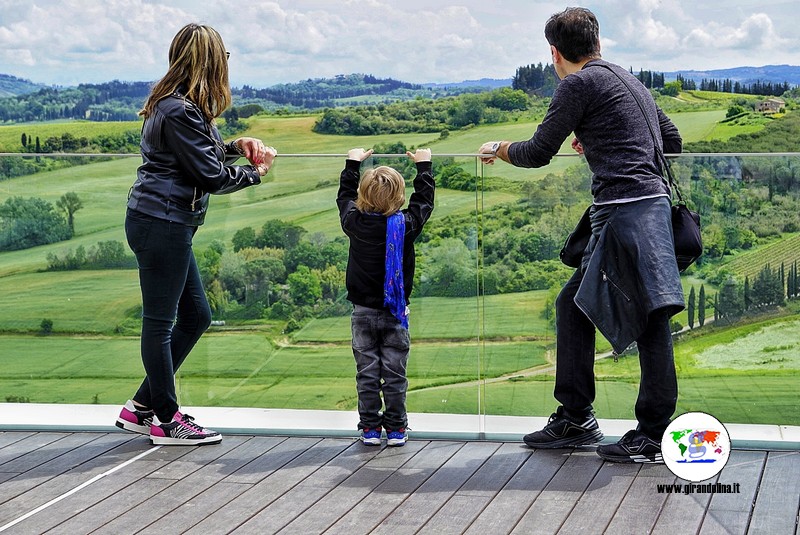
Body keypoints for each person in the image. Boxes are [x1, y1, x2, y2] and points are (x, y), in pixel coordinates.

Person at [478, 7, 684, 463]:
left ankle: (653, 432)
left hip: (621, 214)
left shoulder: (578, 83)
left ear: (554, 52)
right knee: (574, 306)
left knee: (650, 320)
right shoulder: (626, 78)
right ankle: (576, 418)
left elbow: (536, 153)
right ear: (597, 43)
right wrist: (600, 138)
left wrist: (498, 148)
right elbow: (672, 141)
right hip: (648, 209)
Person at [115, 23, 277, 446]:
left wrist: (237, 144)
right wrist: (256, 173)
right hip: (162, 223)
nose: (226, 65)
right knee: (159, 323)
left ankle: (140, 409)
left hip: (163, 221)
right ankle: (166, 421)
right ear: (209, 61)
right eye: (223, 57)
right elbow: (210, 176)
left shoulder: (175, 105)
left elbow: (194, 156)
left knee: (196, 316)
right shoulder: (182, 110)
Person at [337, 147, 435, 446]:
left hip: (362, 312)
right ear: (399, 198)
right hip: (395, 313)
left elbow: (343, 197)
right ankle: (395, 429)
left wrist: (353, 162)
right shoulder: (405, 226)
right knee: (395, 375)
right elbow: (424, 202)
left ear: (362, 197)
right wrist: (424, 166)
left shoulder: (353, 223)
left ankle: (369, 429)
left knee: (366, 373)